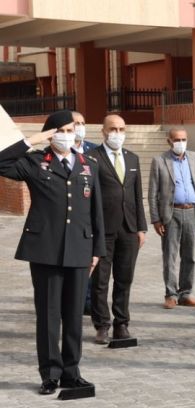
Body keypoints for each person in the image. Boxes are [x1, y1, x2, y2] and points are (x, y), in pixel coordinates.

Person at [0, 110, 105, 395]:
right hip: (45, 250)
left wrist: (97, 249)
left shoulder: (88, 164)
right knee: (48, 315)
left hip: (80, 249)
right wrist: (32, 139)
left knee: (73, 316)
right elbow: (1, 162)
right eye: (66, 129)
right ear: (52, 132)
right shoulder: (36, 162)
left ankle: (72, 372)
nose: (71, 134)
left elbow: (96, 211)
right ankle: (50, 374)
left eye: (74, 129)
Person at [86, 114, 147, 344]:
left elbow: (137, 196)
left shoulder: (132, 158)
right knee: (100, 279)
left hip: (129, 228)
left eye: (121, 129)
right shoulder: (92, 158)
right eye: (113, 129)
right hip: (102, 229)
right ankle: (102, 324)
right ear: (103, 131)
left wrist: (141, 227)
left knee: (125, 278)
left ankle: (122, 324)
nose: (117, 133)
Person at [148, 127, 195, 309]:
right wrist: (156, 219)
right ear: (169, 141)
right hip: (171, 213)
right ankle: (170, 294)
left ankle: (186, 292)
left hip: (192, 211)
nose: (180, 143)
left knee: (190, 255)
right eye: (176, 139)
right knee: (170, 256)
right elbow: (153, 193)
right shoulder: (159, 161)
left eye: (183, 139)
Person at [72, 110, 99, 315]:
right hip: (71, 215)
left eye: (82, 122)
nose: (80, 126)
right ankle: (73, 301)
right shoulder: (58, 151)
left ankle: (88, 300)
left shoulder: (94, 151)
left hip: (91, 215)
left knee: (91, 260)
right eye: (75, 123)